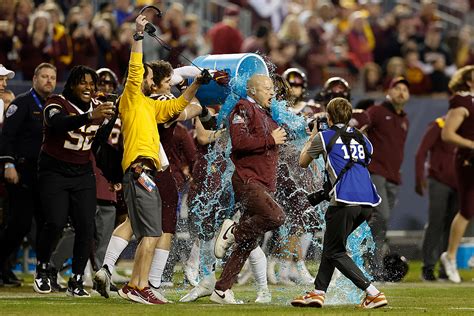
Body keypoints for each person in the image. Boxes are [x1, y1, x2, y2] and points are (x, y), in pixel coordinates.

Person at [115, 15, 204, 305]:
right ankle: (134, 286)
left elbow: (178, 106)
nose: (151, 80)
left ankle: (140, 285)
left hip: (149, 171)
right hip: (139, 168)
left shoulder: (150, 106)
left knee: (151, 233)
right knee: (151, 233)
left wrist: (196, 85)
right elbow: (135, 67)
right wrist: (138, 36)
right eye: (149, 77)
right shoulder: (130, 97)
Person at [291, 97, 387, 309]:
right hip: (368, 202)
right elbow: (362, 163)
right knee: (331, 246)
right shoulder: (363, 138)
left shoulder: (325, 136)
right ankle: (318, 293)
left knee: (336, 251)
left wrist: (313, 136)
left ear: (329, 116)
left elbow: (302, 162)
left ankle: (373, 293)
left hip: (344, 200)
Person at [33, 65, 115, 297]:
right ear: (72, 84)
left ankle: (76, 280)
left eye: (92, 83)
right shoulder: (56, 102)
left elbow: (99, 145)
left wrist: (113, 175)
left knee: (86, 226)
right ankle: (42, 269)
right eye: (83, 82)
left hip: (82, 172)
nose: (88, 87)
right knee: (56, 222)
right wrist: (89, 116)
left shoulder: (99, 108)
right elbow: (57, 124)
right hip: (53, 171)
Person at [210, 74, 287, 304]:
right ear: (252, 90)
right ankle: (232, 232)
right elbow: (240, 143)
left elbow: (278, 139)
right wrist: (270, 140)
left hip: (261, 184)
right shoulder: (243, 108)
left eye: (272, 88)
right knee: (276, 217)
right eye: (266, 88)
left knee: (246, 244)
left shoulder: (266, 115)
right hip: (247, 181)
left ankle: (221, 290)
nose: (272, 92)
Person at [0, 63, 56, 287]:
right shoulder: (21, 103)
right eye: (44, 76)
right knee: (20, 224)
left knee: (49, 223)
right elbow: (7, 137)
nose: (49, 81)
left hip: (47, 175)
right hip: (23, 172)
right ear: (34, 78)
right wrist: (9, 164)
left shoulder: (55, 106)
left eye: (52, 77)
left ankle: (43, 272)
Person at [366, 76, 410, 280]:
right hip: (375, 172)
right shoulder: (376, 111)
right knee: (381, 216)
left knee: (383, 223)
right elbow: (358, 128)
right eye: (397, 88)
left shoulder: (404, 119)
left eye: (405, 89)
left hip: (393, 177)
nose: (401, 92)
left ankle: (374, 268)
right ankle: (367, 258)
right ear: (388, 91)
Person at [439, 65, 474, 283]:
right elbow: (447, 134)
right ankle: (450, 256)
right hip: (469, 160)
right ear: (468, 81)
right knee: (467, 209)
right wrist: (472, 144)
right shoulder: (462, 101)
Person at [415, 116, 457, 281]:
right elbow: (421, 152)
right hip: (439, 180)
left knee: (453, 227)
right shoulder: (439, 124)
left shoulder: (467, 128)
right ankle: (428, 266)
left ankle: (446, 267)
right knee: (436, 222)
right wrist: (419, 178)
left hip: (460, 183)